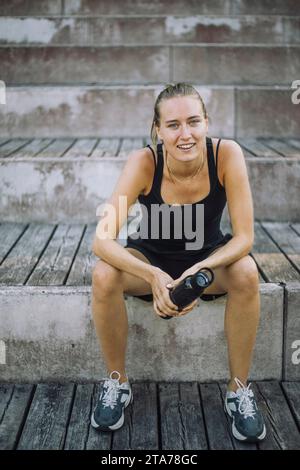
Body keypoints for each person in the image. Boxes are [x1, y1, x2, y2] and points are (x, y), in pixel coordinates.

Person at [90, 82, 266, 443]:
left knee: (247, 271)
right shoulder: (144, 162)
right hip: (149, 258)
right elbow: (101, 239)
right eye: (173, 125)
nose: (185, 134)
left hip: (208, 260)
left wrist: (200, 269)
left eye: (193, 122)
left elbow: (245, 238)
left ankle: (238, 391)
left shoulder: (227, 155)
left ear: (207, 123)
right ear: (158, 130)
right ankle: (117, 384)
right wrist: (152, 273)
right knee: (104, 273)